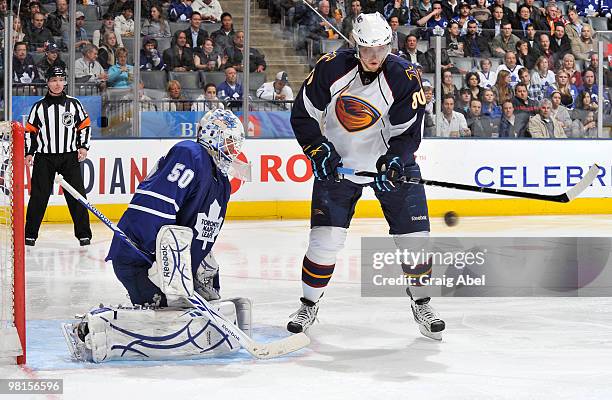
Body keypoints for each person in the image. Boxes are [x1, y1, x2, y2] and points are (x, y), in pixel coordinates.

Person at [288, 12, 445, 340]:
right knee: (324, 242)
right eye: (366, 48)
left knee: (415, 241)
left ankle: (422, 302)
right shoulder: (331, 67)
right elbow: (303, 113)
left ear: (390, 44)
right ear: (354, 45)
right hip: (340, 165)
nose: (374, 56)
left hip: (391, 167)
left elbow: (408, 134)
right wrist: (318, 148)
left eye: (381, 47)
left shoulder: (405, 76)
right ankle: (308, 303)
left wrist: (395, 161)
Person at [63, 109, 250, 363]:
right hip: (141, 258)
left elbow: (197, 233)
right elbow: (155, 205)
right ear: (213, 135)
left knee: (189, 310)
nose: (233, 151)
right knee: (172, 318)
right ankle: (92, 329)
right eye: (230, 142)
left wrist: (201, 268)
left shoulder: (220, 182)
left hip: (170, 264)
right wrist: (159, 259)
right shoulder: (190, 154)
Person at [24, 66, 92, 247]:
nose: (57, 83)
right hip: (44, 158)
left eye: (60, 80)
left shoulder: (74, 104)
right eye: (53, 80)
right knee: (38, 196)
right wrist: (29, 152)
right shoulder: (38, 107)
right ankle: (29, 235)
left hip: (69, 157)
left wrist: (83, 147)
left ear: (65, 82)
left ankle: (84, 235)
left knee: (77, 196)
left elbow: (84, 125)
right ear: (47, 82)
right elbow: (30, 131)